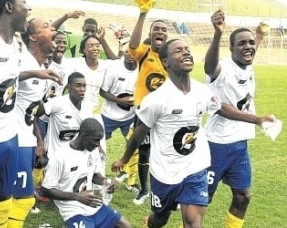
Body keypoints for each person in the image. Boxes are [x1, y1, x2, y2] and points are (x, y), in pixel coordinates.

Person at [111, 38, 272, 228]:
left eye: (187, 49)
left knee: (194, 222)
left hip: (195, 168)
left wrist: (257, 119)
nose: (186, 52)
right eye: (178, 51)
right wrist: (124, 158)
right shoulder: (156, 100)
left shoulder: (201, 91)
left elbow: (220, 108)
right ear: (166, 63)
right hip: (165, 173)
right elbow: (138, 135)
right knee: (160, 219)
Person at [204, 10, 267, 228]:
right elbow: (210, 68)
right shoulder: (222, 70)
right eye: (241, 44)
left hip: (239, 146)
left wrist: (257, 38)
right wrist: (217, 34)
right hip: (216, 146)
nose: (248, 47)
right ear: (230, 49)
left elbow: (248, 51)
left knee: (243, 196)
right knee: (201, 200)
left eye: (250, 43)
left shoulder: (246, 66)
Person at [10, 17, 59, 226]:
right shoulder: (22, 61)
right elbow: (0, 81)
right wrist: (32, 73)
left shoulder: (41, 66)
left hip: (26, 138)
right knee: (22, 198)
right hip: (13, 138)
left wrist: (38, 139)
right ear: (33, 37)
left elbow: (32, 111)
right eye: (47, 26)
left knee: (12, 197)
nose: (54, 28)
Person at [42, 118, 132, 228]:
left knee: (125, 225)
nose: (98, 144)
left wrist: (105, 181)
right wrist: (77, 197)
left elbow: (94, 175)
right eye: (96, 140)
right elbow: (46, 190)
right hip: (72, 209)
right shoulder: (59, 157)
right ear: (84, 136)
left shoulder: (92, 151)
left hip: (92, 203)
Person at [125, 4, 169, 205]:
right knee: (144, 151)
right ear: (150, 35)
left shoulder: (171, 56)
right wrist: (143, 14)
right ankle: (144, 189)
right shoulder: (144, 52)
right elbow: (133, 46)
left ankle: (167, 189)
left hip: (167, 113)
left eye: (163, 29)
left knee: (167, 151)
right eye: (156, 29)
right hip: (144, 111)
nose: (160, 31)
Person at [99, 50, 139, 194]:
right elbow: (102, 92)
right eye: (127, 52)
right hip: (108, 116)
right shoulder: (114, 68)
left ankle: (131, 182)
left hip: (130, 117)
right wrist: (119, 101)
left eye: (133, 53)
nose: (130, 55)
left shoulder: (142, 69)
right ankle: (97, 177)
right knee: (98, 146)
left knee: (135, 147)